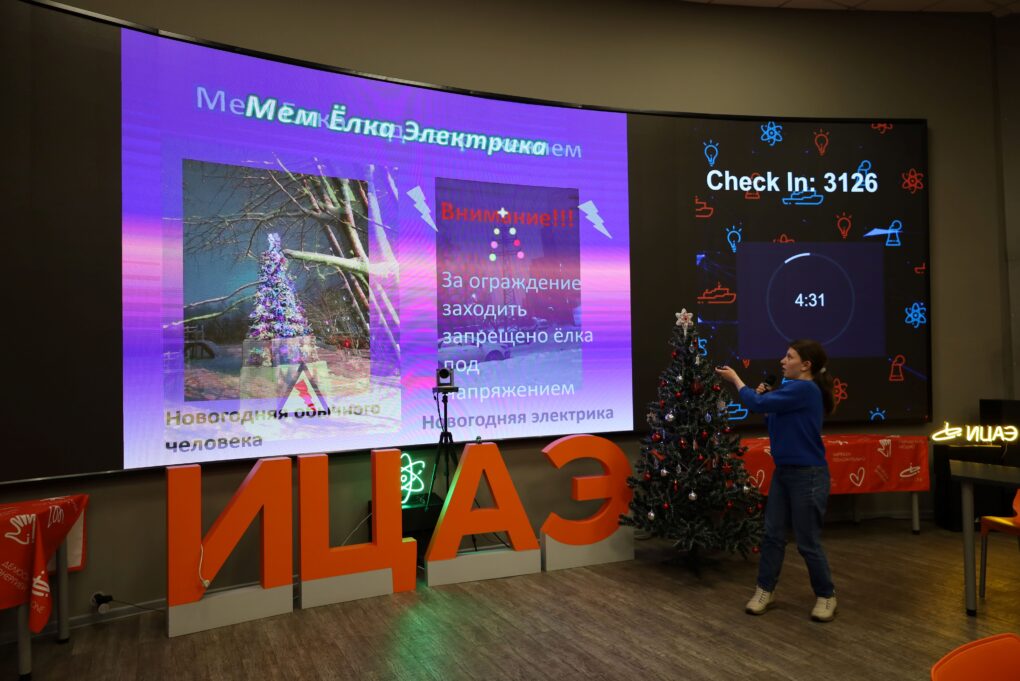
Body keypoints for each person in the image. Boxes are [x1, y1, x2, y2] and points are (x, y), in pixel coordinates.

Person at [714, 339, 837, 623]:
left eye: (789, 357)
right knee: (772, 536)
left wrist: (736, 380)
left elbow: (755, 403)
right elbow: (771, 418)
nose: (783, 361)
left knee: (807, 542)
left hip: (808, 475)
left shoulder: (804, 389)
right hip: (783, 472)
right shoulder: (791, 390)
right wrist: (769, 405)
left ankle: (826, 595)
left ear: (806, 365)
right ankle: (764, 590)